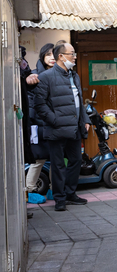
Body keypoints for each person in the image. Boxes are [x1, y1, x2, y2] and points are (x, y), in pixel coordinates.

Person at [33, 42, 91, 211]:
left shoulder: (75, 76)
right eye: (72, 54)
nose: (74, 57)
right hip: (56, 129)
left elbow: (79, 100)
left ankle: (70, 193)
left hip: (74, 127)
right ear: (61, 56)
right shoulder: (46, 77)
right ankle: (59, 199)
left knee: (76, 160)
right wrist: (55, 120)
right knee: (58, 164)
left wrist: (85, 119)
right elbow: (39, 105)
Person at [25, 43, 56, 194]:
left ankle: (54, 189)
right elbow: (31, 103)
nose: (52, 58)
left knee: (56, 159)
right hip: (38, 124)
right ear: (43, 57)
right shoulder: (34, 75)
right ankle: (30, 190)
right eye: (48, 55)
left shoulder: (61, 74)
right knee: (39, 159)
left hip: (55, 124)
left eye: (54, 54)